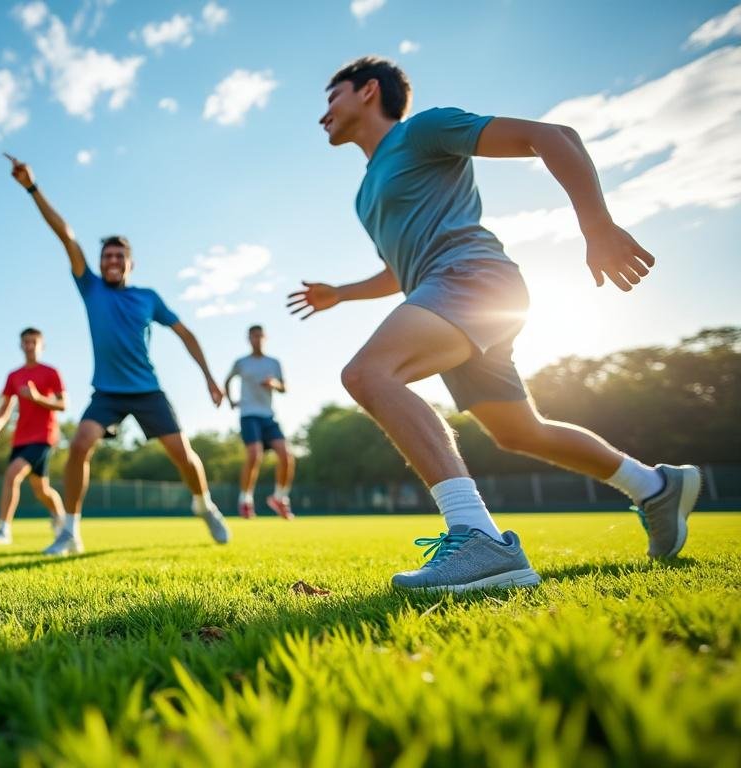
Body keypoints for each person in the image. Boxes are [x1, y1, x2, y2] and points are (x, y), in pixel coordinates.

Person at [289, 56, 700, 591]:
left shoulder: (423, 131)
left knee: (370, 374)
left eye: (332, 97)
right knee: (518, 432)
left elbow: (552, 136)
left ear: (368, 91)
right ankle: (653, 486)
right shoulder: (365, 193)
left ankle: (477, 539)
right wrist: (340, 293)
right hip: (443, 292)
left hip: (472, 278)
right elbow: (399, 269)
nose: (324, 113)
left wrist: (596, 226)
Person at [4, 152, 230, 556]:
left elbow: (186, 334)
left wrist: (210, 378)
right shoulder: (90, 288)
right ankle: (70, 531)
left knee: (183, 455)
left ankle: (204, 504)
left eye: (118, 257)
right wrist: (32, 188)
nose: (111, 261)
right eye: (106, 256)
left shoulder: (148, 297)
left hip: (147, 390)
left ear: (130, 263)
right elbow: (66, 235)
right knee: (79, 445)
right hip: (106, 391)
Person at [0, 327, 69, 544]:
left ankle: (3, 530)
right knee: (41, 490)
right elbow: (5, 409)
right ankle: (60, 518)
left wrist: (38, 397)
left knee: (12, 474)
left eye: (34, 342)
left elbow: (63, 404)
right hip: (21, 438)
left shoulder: (51, 372)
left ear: (42, 346)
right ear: (21, 345)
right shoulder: (14, 376)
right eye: (26, 342)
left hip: (44, 437)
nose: (29, 346)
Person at [224, 325, 295, 519]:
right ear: (249, 339)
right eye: (253, 336)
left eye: (260, 336)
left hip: (268, 416)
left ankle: (280, 498)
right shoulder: (241, 362)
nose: (257, 339)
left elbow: (284, 387)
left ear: (265, 337)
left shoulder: (274, 363)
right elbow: (228, 380)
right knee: (255, 455)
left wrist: (274, 384)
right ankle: (245, 501)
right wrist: (230, 400)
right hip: (248, 414)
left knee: (286, 455)